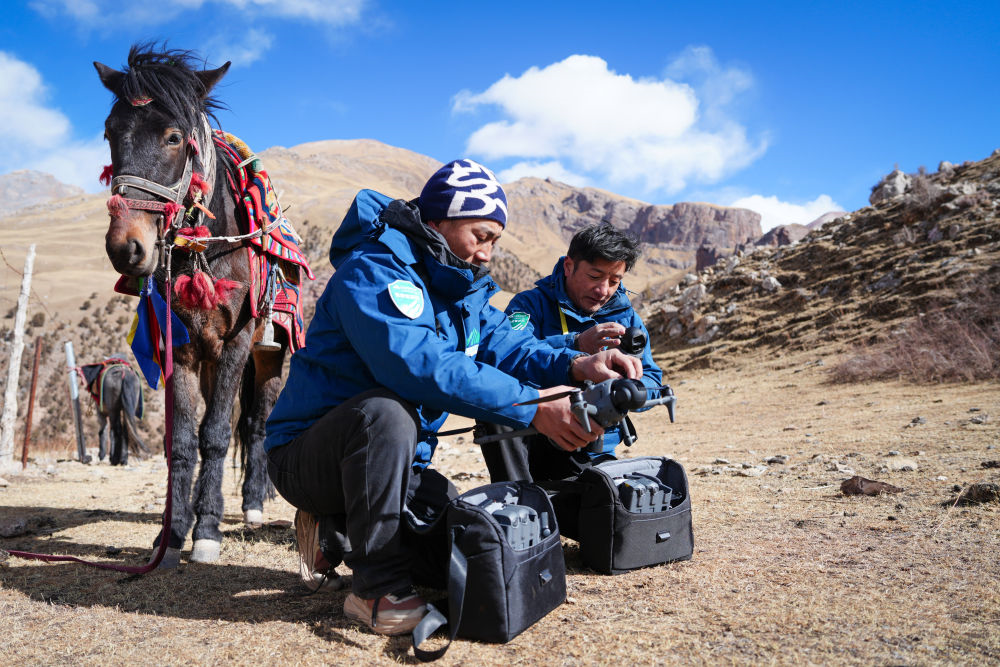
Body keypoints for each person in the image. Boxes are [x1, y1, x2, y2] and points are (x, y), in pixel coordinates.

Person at [264, 159, 641, 636]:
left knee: (459, 541)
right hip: (307, 457)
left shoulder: (460, 288)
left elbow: (509, 344)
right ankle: (375, 591)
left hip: (395, 468)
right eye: (481, 236)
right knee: (386, 414)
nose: (486, 254)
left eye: (494, 241)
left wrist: (575, 365)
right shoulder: (374, 271)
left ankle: (333, 532)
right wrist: (533, 405)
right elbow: (417, 365)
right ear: (440, 220)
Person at [480, 223, 664, 484]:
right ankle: (519, 496)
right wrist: (575, 344)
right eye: (594, 276)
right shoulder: (529, 305)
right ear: (569, 266)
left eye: (614, 281)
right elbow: (507, 356)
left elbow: (653, 380)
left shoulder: (627, 318)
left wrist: (624, 388)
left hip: (594, 447)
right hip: (532, 440)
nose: (603, 290)